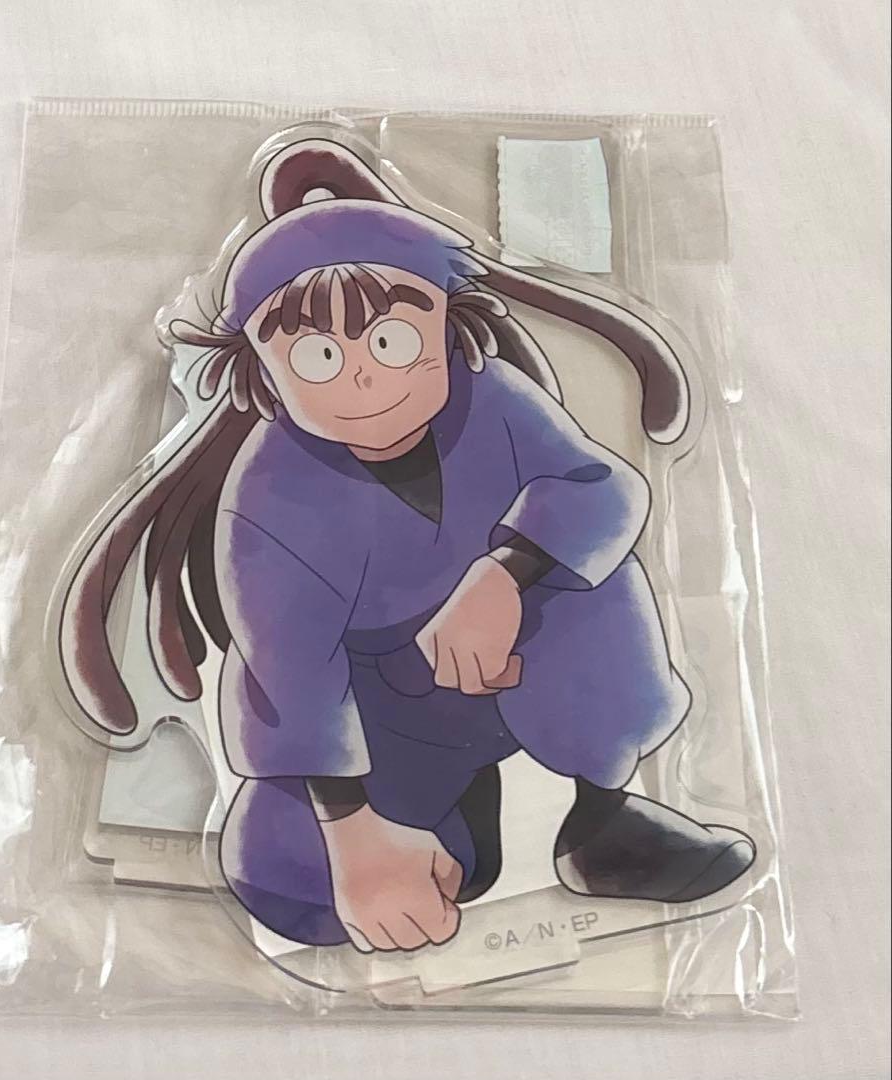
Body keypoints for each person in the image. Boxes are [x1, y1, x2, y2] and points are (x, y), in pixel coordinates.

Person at [59, 138, 755, 954]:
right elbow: (290, 672)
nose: (365, 378)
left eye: (391, 340)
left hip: (519, 658)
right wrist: (353, 834)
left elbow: (598, 488)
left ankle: (601, 820)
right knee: (288, 880)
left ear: (446, 320)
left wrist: (505, 575)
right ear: (264, 373)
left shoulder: (492, 398)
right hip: (384, 705)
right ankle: (439, 816)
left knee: (590, 574)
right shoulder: (266, 497)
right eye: (319, 356)